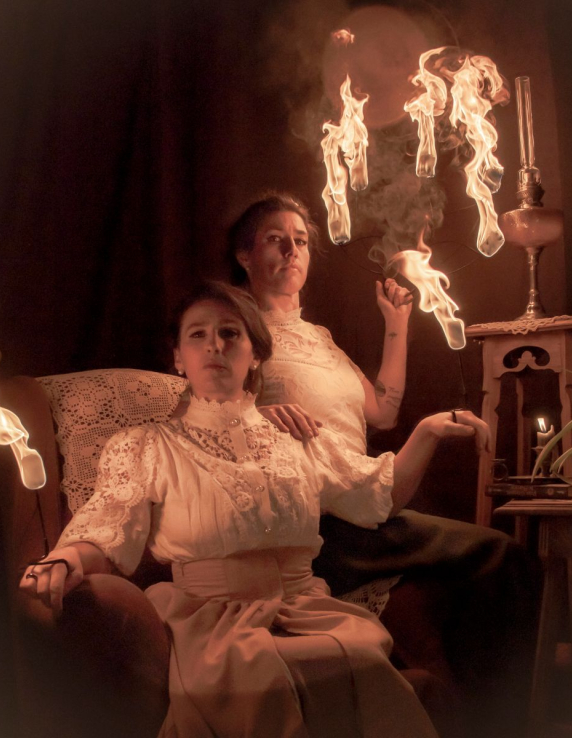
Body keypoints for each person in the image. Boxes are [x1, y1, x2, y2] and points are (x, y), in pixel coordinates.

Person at [20, 281, 490, 738]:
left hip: (309, 611)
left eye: (230, 333)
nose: (214, 346)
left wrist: (427, 431)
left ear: (256, 354)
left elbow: (377, 493)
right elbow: (107, 526)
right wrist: (65, 559)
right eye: (198, 335)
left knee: (360, 662)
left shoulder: (297, 437)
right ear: (179, 358)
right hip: (211, 624)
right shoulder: (146, 447)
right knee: (260, 682)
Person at [226, 192, 541, 736]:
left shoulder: (319, 338)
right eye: (276, 240)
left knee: (501, 562)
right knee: (502, 556)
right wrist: (253, 412)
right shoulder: (235, 331)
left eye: (300, 241)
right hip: (320, 525)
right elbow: (203, 412)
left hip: (364, 505)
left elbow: (383, 412)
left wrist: (396, 325)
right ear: (245, 255)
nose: (292, 251)